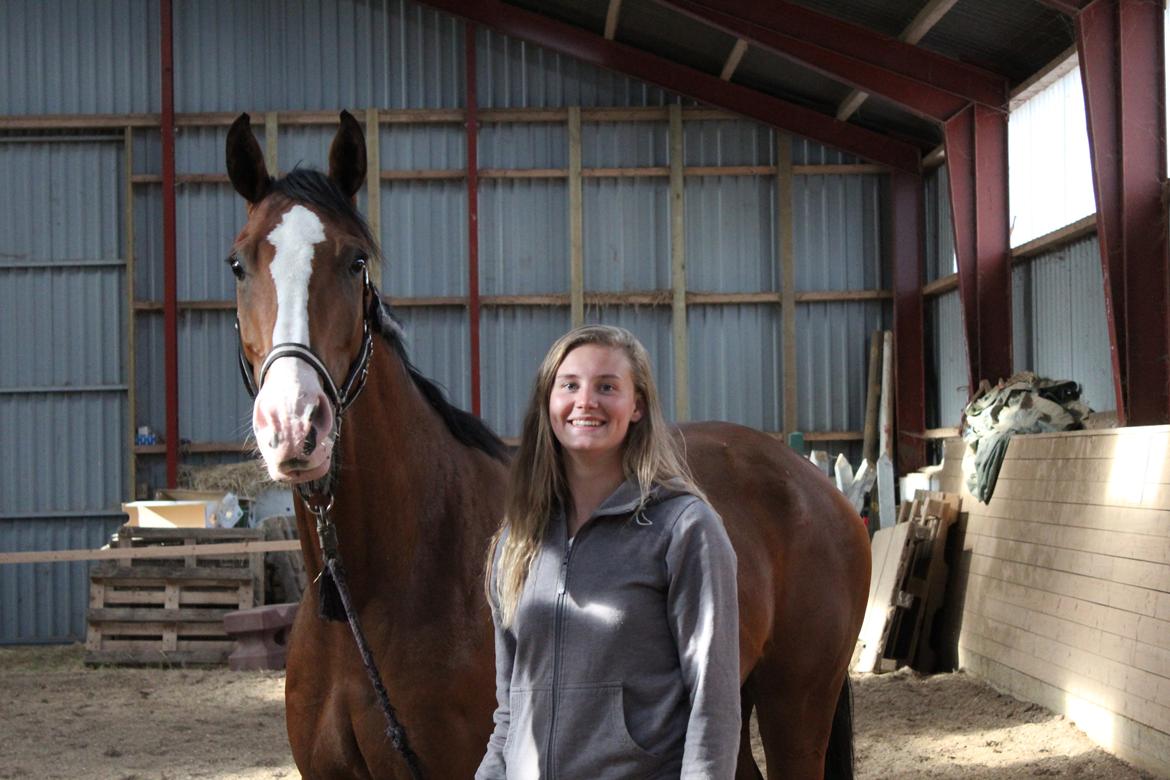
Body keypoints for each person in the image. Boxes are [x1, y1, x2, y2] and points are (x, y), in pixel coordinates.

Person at [476, 325, 741, 779]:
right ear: (548, 403)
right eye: (570, 385)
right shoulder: (516, 541)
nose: (586, 402)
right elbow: (509, 709)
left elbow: (713, 702)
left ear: (637, 405)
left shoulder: (684, 529)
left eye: (607, 387)